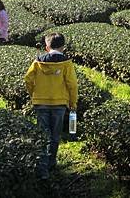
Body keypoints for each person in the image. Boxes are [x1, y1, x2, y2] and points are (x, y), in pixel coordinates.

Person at [24, 33, 78, 180]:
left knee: (43, 135)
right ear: (63, 47)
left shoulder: (37, 61)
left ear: (47, 47)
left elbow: (28, 79)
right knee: (55, 135)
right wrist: (72, 103)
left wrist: (33, 94)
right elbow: (72, 85)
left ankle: (42, 168)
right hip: (59, 104)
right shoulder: (67, 63)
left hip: (40, 103)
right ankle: (51, 163)